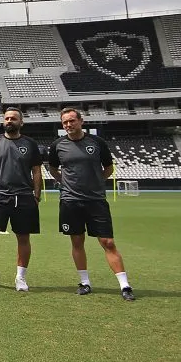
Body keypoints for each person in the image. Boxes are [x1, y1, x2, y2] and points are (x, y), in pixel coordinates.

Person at [47, 108, 135, 302]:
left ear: (81, 121)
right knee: (77, 242)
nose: (68, 125)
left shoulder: (97, 143)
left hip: (96, 200)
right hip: (70, 201)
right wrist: (65, 183)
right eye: (65, 122)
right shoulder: (57, 145)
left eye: (71, 121)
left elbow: (109, 167)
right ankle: (85, 282)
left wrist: (96, 182)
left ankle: (125, 285)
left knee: (108, 242)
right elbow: (53, 168)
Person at [0, 107, 42, 292]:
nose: (9, 121)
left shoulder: (30, 143)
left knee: (23, 236)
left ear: (21, 122)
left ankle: (20, 277)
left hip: (23, 196)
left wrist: (36, 195)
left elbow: (37, 170)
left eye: (13, 118)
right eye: (6, 118)